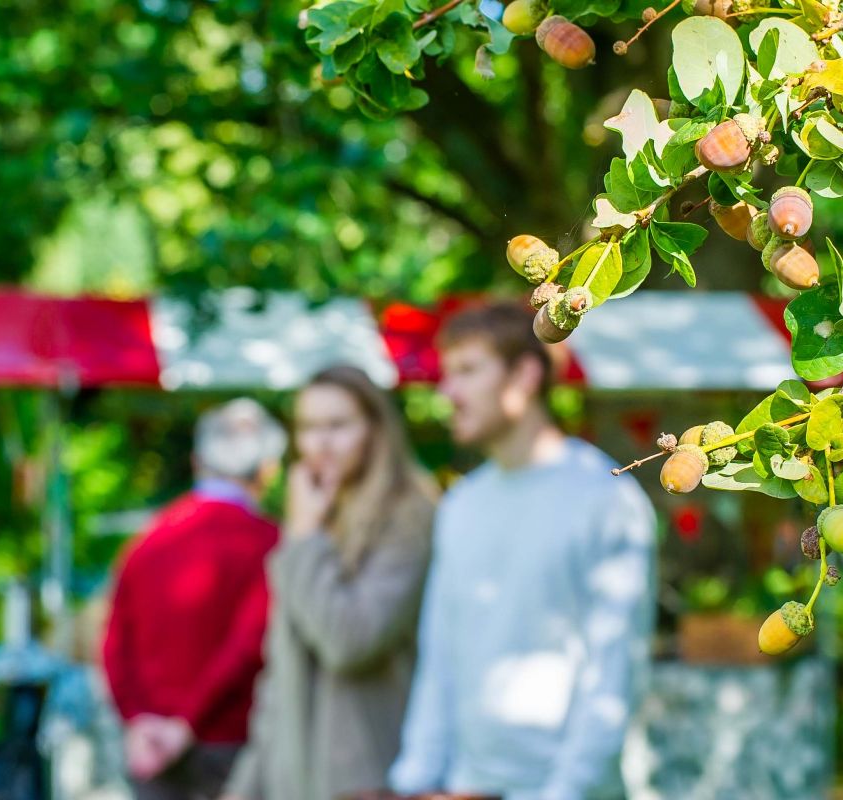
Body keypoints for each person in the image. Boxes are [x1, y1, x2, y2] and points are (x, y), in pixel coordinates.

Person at [388, 303, 658, 800]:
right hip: (466, 784)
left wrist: (561, 792)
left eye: (467, 371)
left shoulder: (604, 497)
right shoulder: (462, 505)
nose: (448, 393)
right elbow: (440, 653)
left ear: (526, 375)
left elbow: (615, 671)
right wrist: (415, 779)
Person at [223, 365, 439, 800]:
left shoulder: (409, 513)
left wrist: (303, 539)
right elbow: (279, 674)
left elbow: (349, 641)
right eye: (308, 427)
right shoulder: (318, 512)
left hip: (369, 778)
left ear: (375, 428)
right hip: (294, 776)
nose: (320, 444)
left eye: (337, 426)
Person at [101, 398, 287, 800]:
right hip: (230, 745)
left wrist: (137, 720)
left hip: (151, 746)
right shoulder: (271, 545)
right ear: (268, 471)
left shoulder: (146, 541)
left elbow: (114, 644)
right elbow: (248, 646)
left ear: (196, 461)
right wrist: (186, 724)